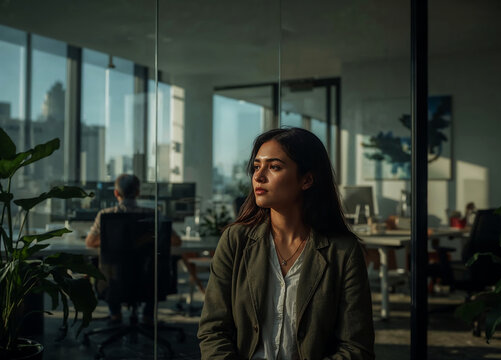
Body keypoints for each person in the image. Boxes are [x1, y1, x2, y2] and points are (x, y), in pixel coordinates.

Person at [198, 128, 375, 359]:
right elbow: (213, 330)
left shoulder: (342, 251)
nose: (259, 177)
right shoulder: (235, 240)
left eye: (274, 167)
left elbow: (356, 346)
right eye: (256, 166)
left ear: (307, 179)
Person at [85, 174, 182, 325]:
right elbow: (176, 241)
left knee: (111, 269)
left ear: (116, 193)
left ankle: (115, 314)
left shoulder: (106, 215)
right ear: (138, 193)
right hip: (148, 279)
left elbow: (90, 242)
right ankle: (148, 316)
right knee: (152, 271)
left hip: (116, 280)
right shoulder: (154, 214)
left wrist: (117, 239)